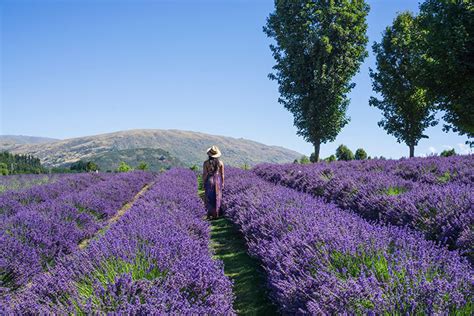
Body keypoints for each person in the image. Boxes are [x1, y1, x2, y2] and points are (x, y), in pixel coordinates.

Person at [203, 145, 225, 219]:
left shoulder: (206, 163)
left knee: (208, 196)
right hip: (217, 180)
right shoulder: (221, 163)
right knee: (217, 196)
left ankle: (209, 214)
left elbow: (205, 174)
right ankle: (217, 214)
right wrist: (223, 183)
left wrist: (204, 182)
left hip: (209, 180)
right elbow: (222, 174)